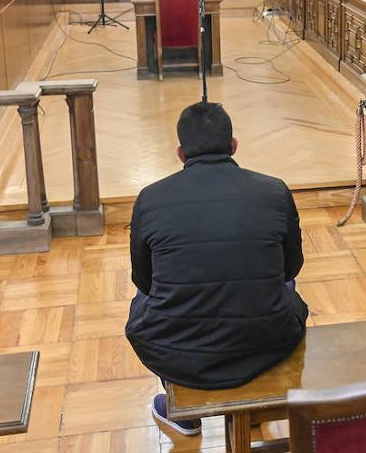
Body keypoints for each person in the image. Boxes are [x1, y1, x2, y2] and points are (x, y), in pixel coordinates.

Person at [126, 102, 308, 436]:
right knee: (286, 287)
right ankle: (258, 402)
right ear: (234, 145)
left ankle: (182, 413)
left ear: (180, 153)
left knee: (144, 299)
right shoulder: (274, 191)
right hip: (269, 339)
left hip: (178, 349)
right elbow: (291, 268)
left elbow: (145, 280)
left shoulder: (150, 199)